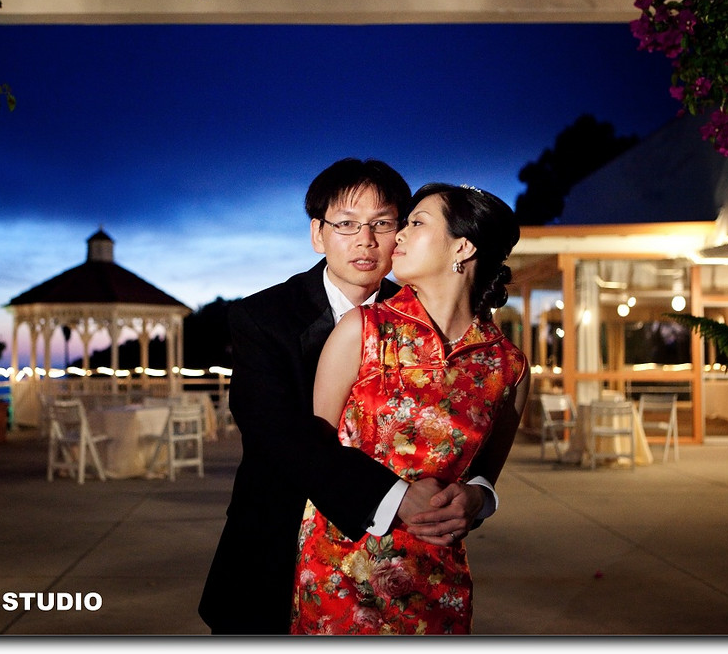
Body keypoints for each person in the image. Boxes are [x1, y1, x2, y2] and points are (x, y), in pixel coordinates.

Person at [198, 161, 500, 635]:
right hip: (274, 557)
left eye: (383, 223)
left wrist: (477, 497)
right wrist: (396, 496)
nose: (366, 240)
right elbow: (278, 435)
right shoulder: (263, 317)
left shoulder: (429, 317)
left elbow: (465, 427)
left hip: (398, 570)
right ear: (317, 234)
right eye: (346, 224)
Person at [290, 182, 530, 635]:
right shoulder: (363, 329)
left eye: (416, 223)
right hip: (342, 571)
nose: (398, 234)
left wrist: (477, 500)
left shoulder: (506, 365)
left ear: (463, 246)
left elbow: (484, 477)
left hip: (437, 577)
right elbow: (313, 454)